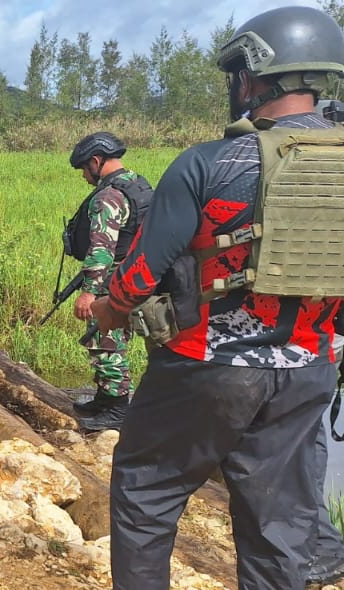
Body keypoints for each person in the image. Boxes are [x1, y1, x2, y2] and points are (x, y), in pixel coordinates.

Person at [90, 6, 344, 588]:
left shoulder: (211, 163)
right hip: (309, 369)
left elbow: (140, 276)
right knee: (279, 527)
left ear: (253, 77)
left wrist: (108, 309)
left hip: (204, 369)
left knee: (146, 494)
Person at [63, 132, 153, 431]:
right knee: (109, 338)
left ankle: (117, 409)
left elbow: (101, 250)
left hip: (112, 280)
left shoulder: (109, 197)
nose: (84, 177)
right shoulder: (137, 184)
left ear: (96, 161)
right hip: (133, 273)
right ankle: (105, 398)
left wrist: (88, 293)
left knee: (106, 341)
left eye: (83, 170)